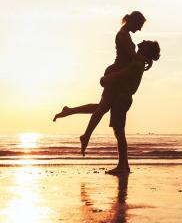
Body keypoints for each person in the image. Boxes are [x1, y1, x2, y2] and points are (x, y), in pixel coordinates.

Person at [54, 40, 160, 174]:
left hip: (123, 99)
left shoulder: (137, 63)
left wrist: (105, 79)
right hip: (120, 97)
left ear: (146, 49)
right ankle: (71, 112)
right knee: (101, 108)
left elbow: (122, 74)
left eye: (147, 43)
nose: (144, 40)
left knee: (119, 133)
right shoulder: (137, 60)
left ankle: (123, 166)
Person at [53, 11, 150, 156]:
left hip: (119, 77)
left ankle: (70, 112)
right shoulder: (122, 35)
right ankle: (85, 135)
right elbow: (131, 56)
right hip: (115, 74)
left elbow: (132, 58)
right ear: (133, 21)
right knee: (102, 109)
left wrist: (147, 60)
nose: (140, 29)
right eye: (140, 25)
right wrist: (147, 59)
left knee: (101, 107)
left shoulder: (126, 34)